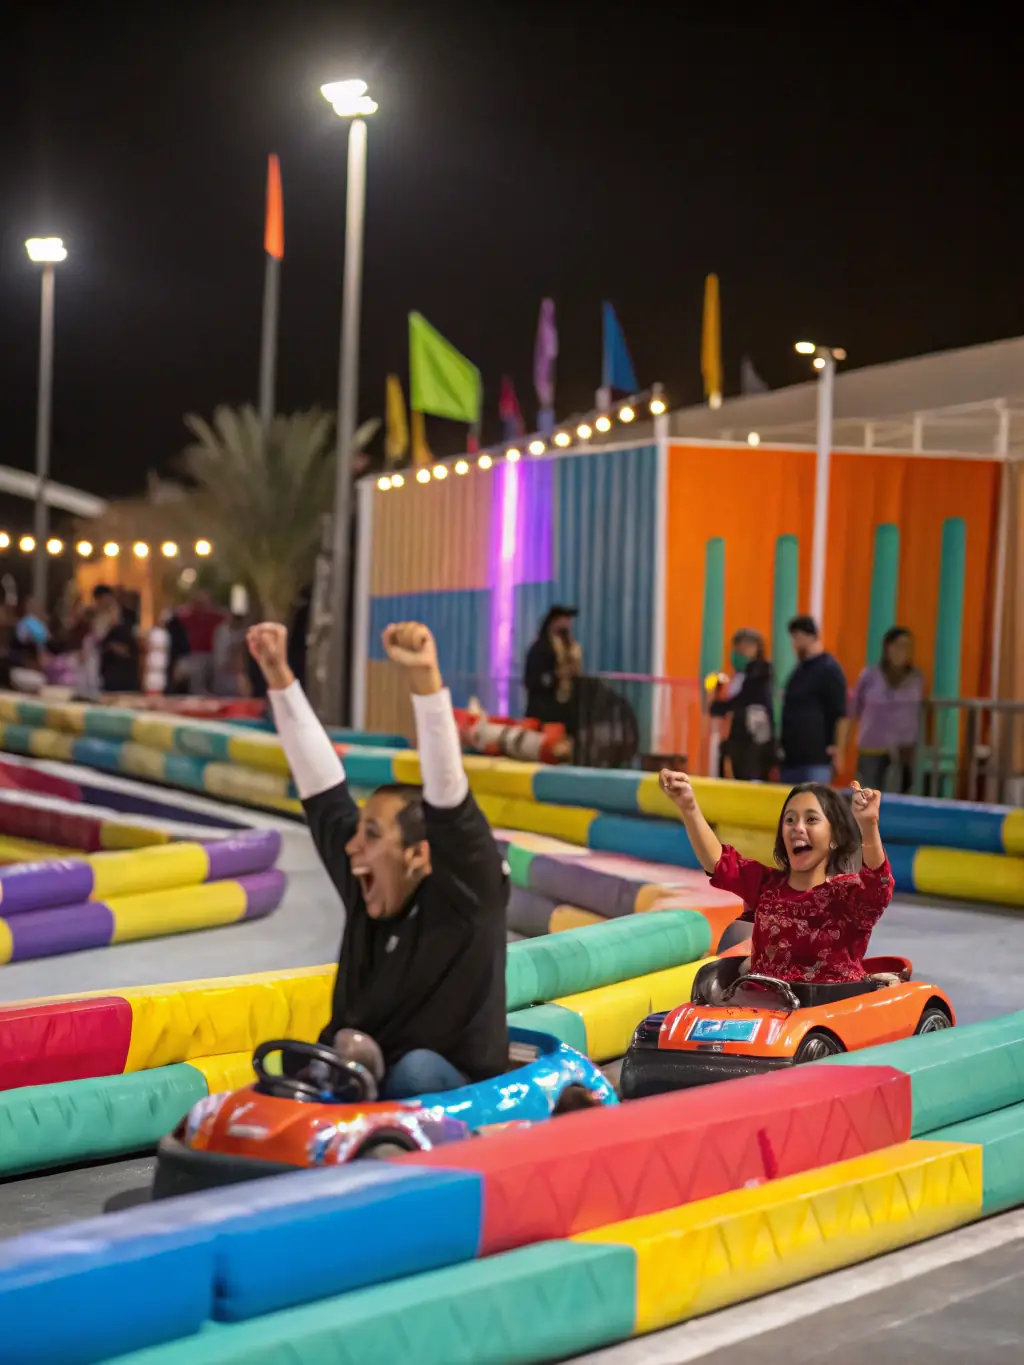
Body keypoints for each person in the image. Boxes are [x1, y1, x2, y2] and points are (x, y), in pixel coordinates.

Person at [247, 618, 510, 1099]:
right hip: (371, 1073)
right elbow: (322, 790)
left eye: (370, 834)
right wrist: (278, 674)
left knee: (416, 1073)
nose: (352, 847)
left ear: (418, 855)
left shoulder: (468, 898)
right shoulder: (369, 882)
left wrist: (426, 683)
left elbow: (449, 801)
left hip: (455, 1090)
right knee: (294, 1062)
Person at [658, 769, 891, 984]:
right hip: (763, 1008)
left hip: (826, 1013)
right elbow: (718, 863)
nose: (797, 828)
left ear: (834, 838)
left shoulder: (847, 895)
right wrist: (688, 806)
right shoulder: (766, 885)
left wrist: (869, 825)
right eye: (790, 820)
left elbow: (877, 885)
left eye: (811, 820)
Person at [850, 627, 924, 794]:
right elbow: (853, 709)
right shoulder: (870, 675)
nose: (902, 651)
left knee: (899, 798)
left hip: (903, 751)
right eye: (897, 646)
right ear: (887, 647)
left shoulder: (916, 678)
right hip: (872, 748)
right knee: (868, 797)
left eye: (907, 646)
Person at [779, 616, 849, 785]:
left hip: (816, 758)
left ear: (810, 636)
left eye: (797, 638)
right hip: (792, 758)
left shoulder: (829, 669)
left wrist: (838, 750)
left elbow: (840, 714)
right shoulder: (798, 671)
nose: (794, 644)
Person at [709, 628, 775, 781]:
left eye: (745, 647)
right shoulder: (736, 677)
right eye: (737, 648)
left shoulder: (759, 672)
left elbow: (744, 699)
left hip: (753, 740)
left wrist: (720, 707)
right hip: (736, 738)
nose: (740, 652)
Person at [524, 606, 582, 732]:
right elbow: (532, 679)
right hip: (544, 710)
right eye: (564, 619)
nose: (568, 624)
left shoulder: (572, 647)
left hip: (567, 709)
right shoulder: (541, 648)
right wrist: (556, 676)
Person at [177, 588, 225, 694]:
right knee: (195, 667)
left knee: (208, 666)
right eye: (199, 603)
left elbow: (227, 618)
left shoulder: (213, 617)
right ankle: (197, 694)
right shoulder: (188, 617)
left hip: (210, 656)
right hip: (193, 656)